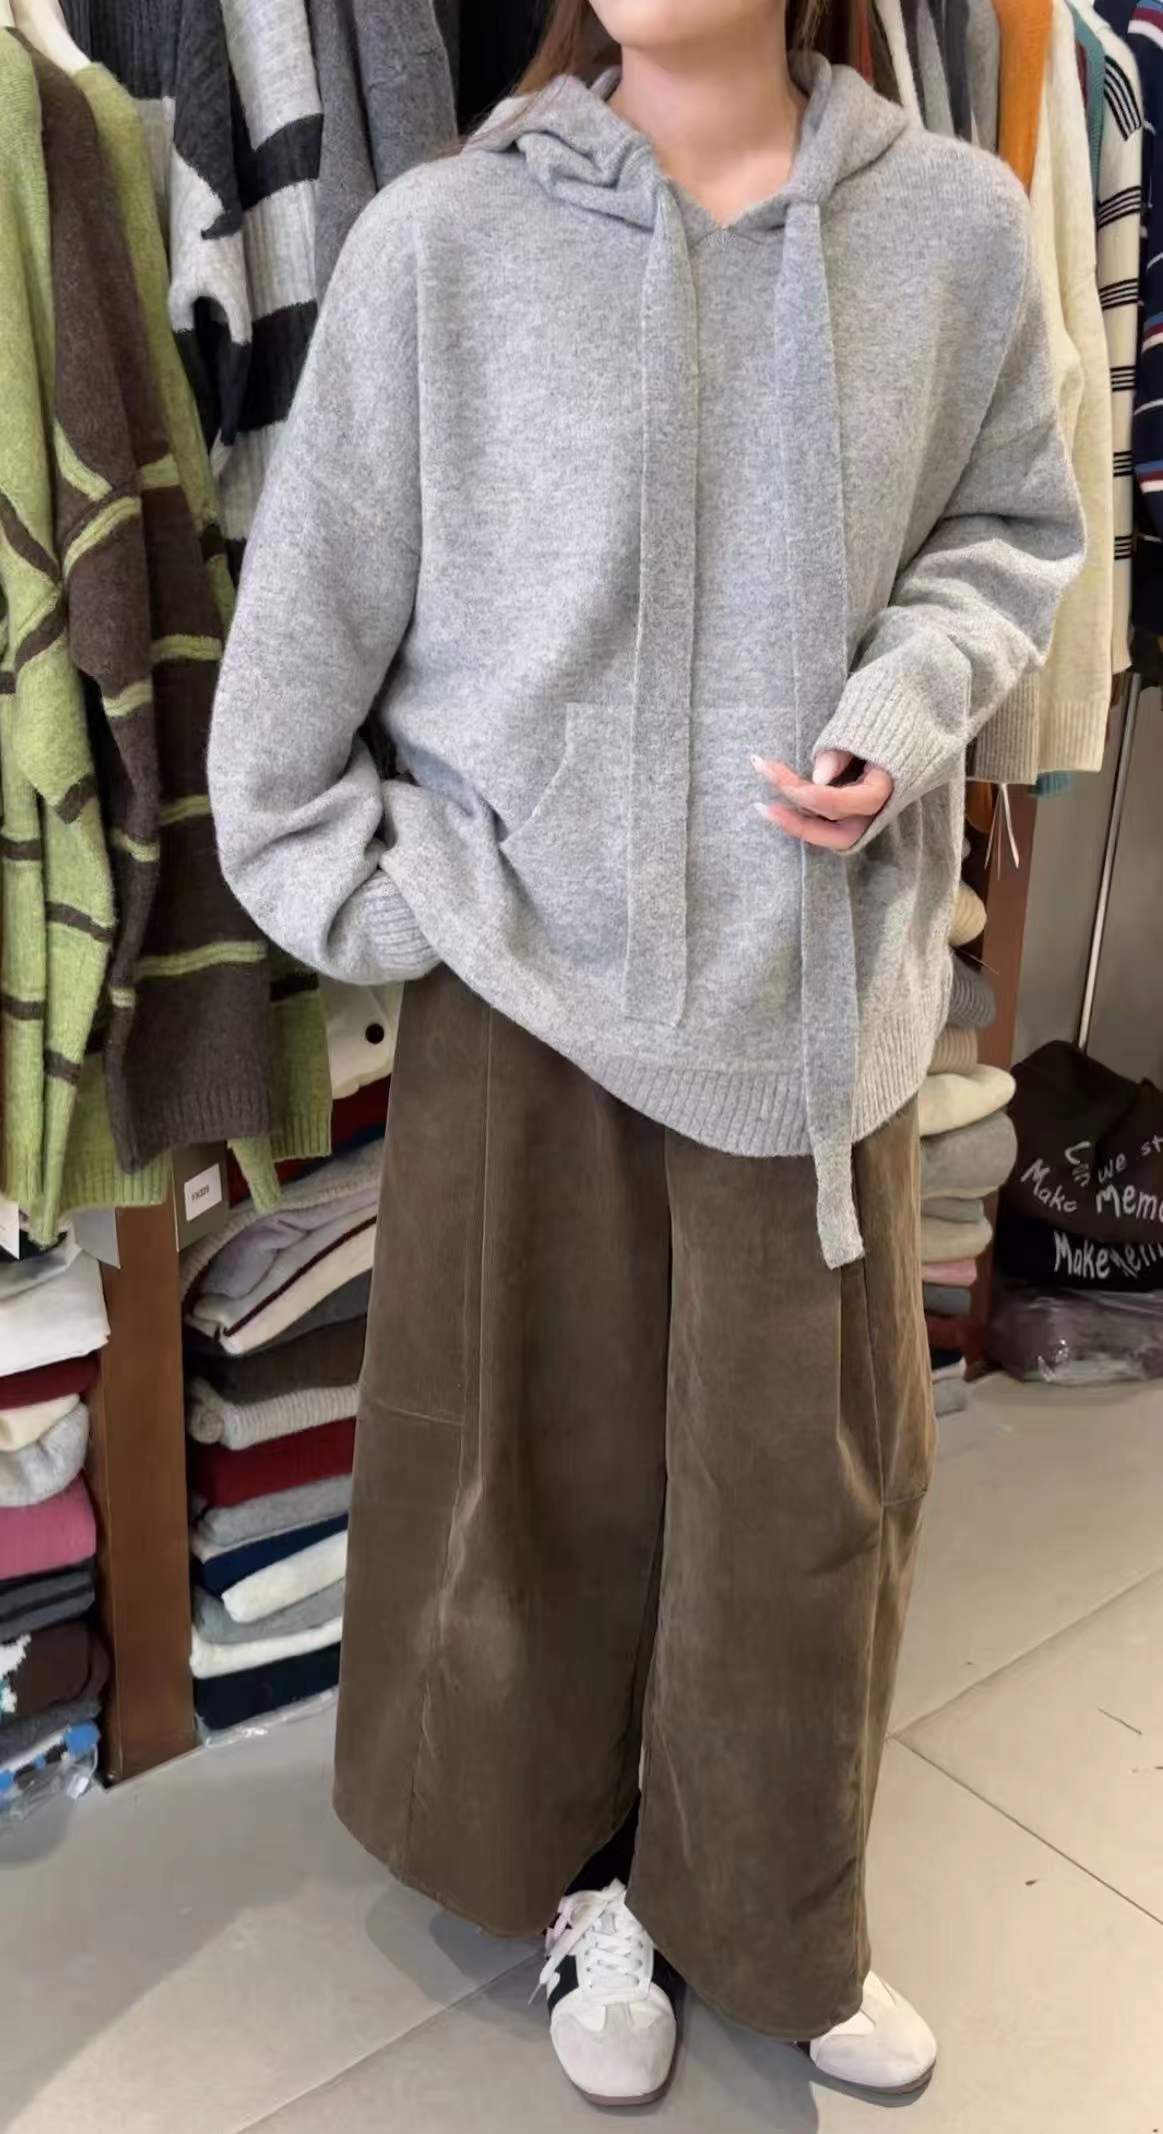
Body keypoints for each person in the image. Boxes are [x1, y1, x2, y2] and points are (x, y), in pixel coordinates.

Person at [210, 0, 1082, 2108]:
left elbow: (1014, 532)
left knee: (806, 1499)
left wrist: (907, 704)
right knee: (540, 1478)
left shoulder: (950, 228)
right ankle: (589, 1884)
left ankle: (777, 1903)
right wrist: (423, 907)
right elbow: (286, 693)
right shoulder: (442, 247)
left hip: (811, 1022)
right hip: (532, 1021)